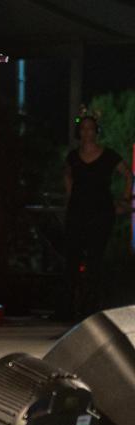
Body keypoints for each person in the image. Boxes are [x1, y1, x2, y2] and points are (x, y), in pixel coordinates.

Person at [63, 108, 132, 318]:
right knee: (72, 259)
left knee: (95, 259)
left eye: (91, 129)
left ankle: (91, 307)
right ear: (79, 132)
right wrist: (70, 197)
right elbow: (67, 176)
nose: (87, 133)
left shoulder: (108, 155)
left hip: (101, 212)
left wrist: (125, 200)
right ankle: (69, 307)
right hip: (78, 211)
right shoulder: (73, 156)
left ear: (96, 131)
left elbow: (129, 175)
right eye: (83, 129)